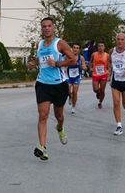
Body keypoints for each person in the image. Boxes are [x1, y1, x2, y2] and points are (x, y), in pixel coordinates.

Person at [29, 17, 77, 161]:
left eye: (49, 26)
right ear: (41, 29)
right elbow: (40, 60)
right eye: (44, 26)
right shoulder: (40, 45)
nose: (46, 28)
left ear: (53, 28)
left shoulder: (60, 43)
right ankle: (42, 147)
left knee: (59, 116)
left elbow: (73, 60)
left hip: (59, 85)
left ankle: (60, 128)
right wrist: (33, 63)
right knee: (43, 115)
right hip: (42, 83)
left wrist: (57, 63)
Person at [67, 43, 87, 114]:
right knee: (68, 90)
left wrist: (84, 67)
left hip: (77, 77)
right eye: (74, 47)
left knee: (75, 92)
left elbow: (84, 66)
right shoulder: (68, 56)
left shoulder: (81, 57)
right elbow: (63, 64)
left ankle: (73, 107)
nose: (75, 49)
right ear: (72, 48)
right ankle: (69, 96)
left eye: (77, 48)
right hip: (68, 76)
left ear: (79, 50)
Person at [90, 42, 109, 109]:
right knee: (95, 89)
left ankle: (100, 102)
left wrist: (109, 72)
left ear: (104, 47)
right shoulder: (94, 54)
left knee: (102, 90)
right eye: (99, 46)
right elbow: (91, 62)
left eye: (102, 46)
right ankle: (98, 92)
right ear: (97, 47)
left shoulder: (107, 55)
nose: (100, 47)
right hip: (95, 74)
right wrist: (91, 68)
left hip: (104, 74)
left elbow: (109, 65)